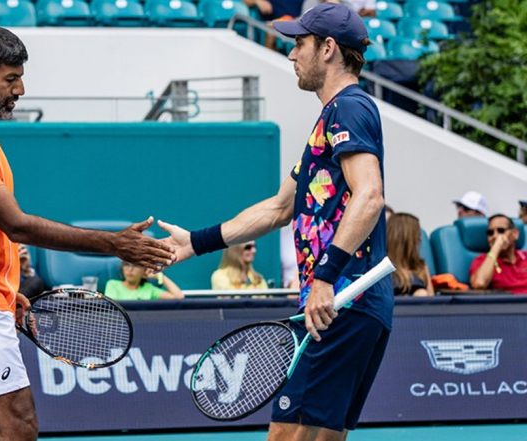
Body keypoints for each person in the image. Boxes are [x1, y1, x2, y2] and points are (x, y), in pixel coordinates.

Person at [0, 26, 174, 441]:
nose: (21, 89)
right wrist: (114, 244)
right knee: (21, 424)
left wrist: (4, 286)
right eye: (10, 79)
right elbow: (16, 223)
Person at [158, 5, 392, 440]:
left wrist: (325, 277)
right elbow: (280, 208)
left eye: (299, 44)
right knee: (312, 433)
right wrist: (197, 241)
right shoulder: (331, 118)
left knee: (291, 434)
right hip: (337, 302)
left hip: (343, 299)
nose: (291, 55)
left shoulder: (349, 109)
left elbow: (371, 195)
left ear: (327, 49)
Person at [469, 214, 527, 294]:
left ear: (515, 234)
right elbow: (479, 284)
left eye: (501, 231)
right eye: (490, 233)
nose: (495, 236)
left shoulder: (525, 257)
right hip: (507, 304)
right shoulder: (481, 261)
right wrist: (496, 247)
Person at [386, 213, 434, 296]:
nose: (420, 238)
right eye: (417, 234)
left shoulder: (421, 266)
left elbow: (432, 301)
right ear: (405, 237)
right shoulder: (383, 268)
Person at [104, 262, 184, 300]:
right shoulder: (112, 285)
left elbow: (179, 297)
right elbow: (113, 310)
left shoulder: (149, 289)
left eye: (136, 265)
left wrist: (160, 276)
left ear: (144, 270)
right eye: (126, 265)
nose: (130, 270)